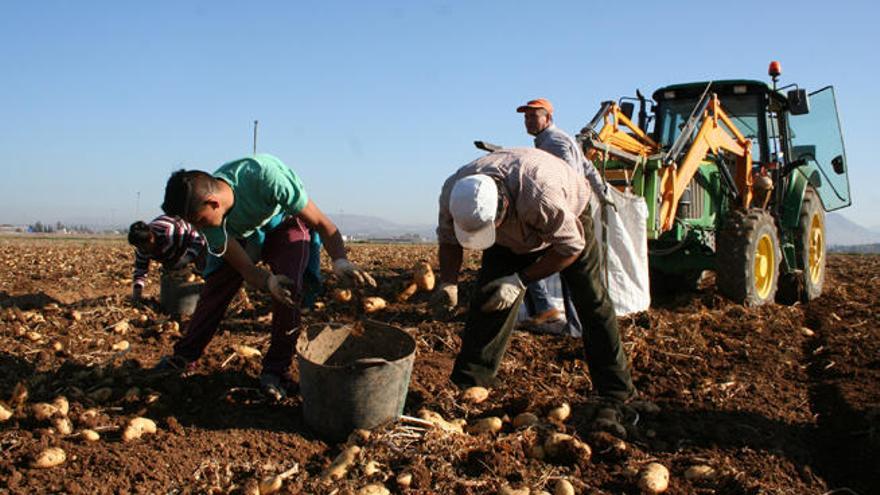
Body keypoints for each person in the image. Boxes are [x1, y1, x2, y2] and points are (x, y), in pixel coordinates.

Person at [156, 153, 375, 400]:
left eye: (197, 221)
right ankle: (184, 357)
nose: (198, 229)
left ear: (213, 203)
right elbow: (247, 269)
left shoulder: (265, 177)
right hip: (244, 235)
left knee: (290, 289)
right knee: (217, 285)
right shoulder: (212, 226)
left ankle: (276, 371)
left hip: (283, 224)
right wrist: (269, 282)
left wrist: (340, 261)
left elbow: (323, 224)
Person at [432, 148, 636, 406]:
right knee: (489, 298)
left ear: (502, 208)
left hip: (568, 215)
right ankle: (470, 382)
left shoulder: (541, 198)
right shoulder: (454, 193)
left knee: (591, 299)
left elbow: (571, 248)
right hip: (511, 232)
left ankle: (616, 390)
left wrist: (520, 280)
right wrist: (449, 282)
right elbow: (449, 240)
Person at [516, 97, 606, 335]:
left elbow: (564, 177)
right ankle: (553, 315)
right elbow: (588, 168)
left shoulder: (553, 142)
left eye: (533, 116)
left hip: (564, 212)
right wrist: (603, 194)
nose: (528, 121)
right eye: (526, 117)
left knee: (535, 259)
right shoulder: (562, 139)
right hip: (573, 210)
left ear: (548, 118)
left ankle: (557, 318)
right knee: (570, 271)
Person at [128, 216, 206, 302]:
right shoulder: (142, 249)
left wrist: (184, 260)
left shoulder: (171, 231)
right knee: (172, 274)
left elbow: (199, 242)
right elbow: (140, 270)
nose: (142, 250)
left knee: (202, 271)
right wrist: (137, 292)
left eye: (144, 247)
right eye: (139, 247)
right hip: (170, 250)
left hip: (192, 240)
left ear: (151, 239)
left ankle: (204, 298)